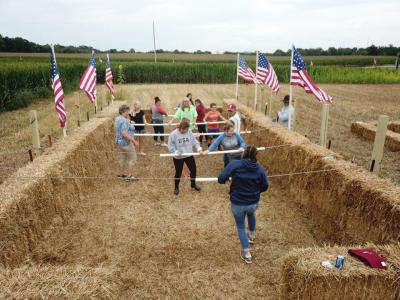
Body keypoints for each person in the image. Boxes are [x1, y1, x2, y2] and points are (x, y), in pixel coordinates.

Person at [218, 145, 269, 264]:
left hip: (238, 202)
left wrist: (229, 178)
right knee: (251, 214)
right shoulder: (260, 169)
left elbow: (221, 179)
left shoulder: (235, 164)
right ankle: (251, 235)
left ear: (244, 153)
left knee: (240, 226)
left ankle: (247, 253)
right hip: (253, 202)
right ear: (256, 156)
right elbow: (265, 186)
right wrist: (256, 192)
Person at [168, 118, 203, 195]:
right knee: (178, 172)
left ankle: (193, 185)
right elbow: (170, 146)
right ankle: (176, 187)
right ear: (180, 128)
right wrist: (176, 151)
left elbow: (194, 141)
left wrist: (199, 148)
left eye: (187, 130)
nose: (185, 131)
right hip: (178, 157)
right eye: (184, 130)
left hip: (189, 154)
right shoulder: (173, 134)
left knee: (193, 170)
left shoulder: (189, 132)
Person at [114, 104, 139, 181]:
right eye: (127, 111)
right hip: (126, 143)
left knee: (123, 157)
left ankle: (121, 174)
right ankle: (130, 176)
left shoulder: (117, 119)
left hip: (119, 142)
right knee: (133, 158)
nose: (128, 113)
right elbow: (124, 133)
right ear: (123, 111)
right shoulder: (124, 121)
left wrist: (129, 121)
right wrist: (134, 141)